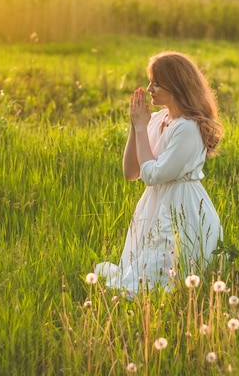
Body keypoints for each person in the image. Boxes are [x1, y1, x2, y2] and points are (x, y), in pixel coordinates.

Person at [95, 51, 223, 294]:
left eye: (156, 82)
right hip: (155, 204)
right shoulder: (158, 119)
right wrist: (136, 126)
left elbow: (153, 175)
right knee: (142, 278)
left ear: (175, 85)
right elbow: (132, 172)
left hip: (183, 206)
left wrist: (142, 129)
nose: (149, 88)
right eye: (150, 81)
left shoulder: (187, 128)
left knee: (166, 281)